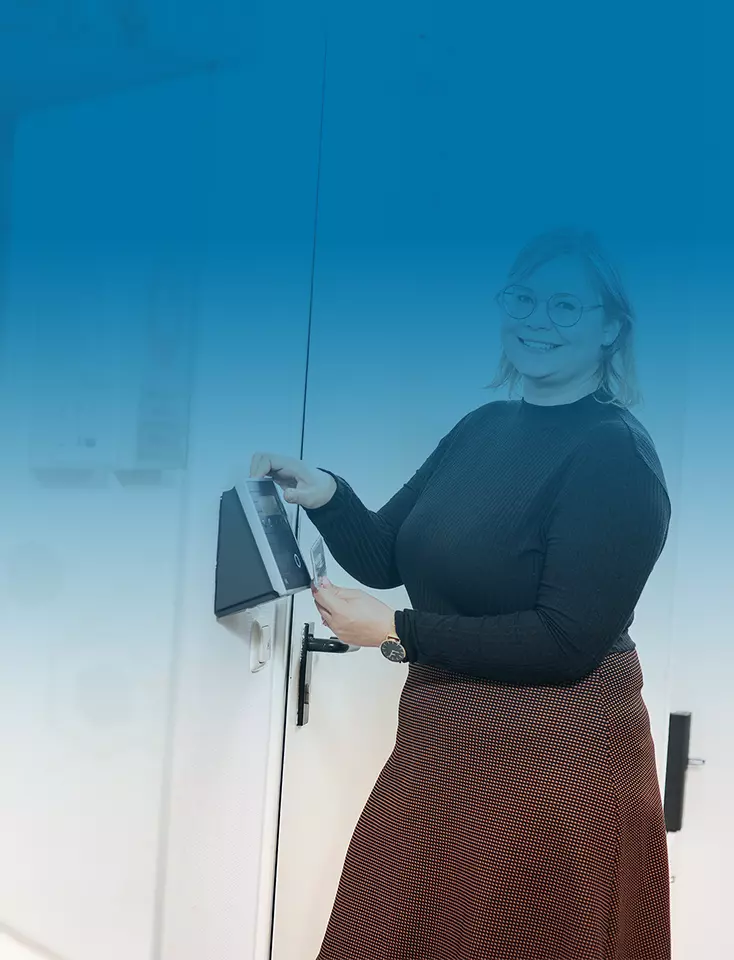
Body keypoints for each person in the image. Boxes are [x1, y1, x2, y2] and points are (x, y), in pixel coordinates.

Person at [250, 228, 672, 960]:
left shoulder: (615, 454)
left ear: (611, 326)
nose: (538, 321)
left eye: (567, 305)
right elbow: (387, 552)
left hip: (555, 764)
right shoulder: (484, 427)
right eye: (524, 298)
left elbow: (566, 642)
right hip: (444, 746)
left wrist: (399, 630)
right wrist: (323, 493)